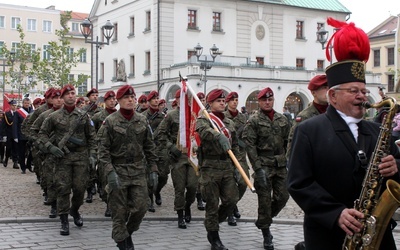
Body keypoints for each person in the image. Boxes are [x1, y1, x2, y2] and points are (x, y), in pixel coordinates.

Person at [287, 17, 399, 250]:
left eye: (363, 91)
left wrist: (396, 166)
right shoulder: (309, 130)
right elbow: (299, 183)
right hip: (329, 235)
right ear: (333, 96)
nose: (361, 96)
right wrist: (335, 213)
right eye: (353, 91)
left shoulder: (379, 130)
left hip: (377, 235)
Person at [97, 85, 158, 250]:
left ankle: (125, 234)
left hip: (138, 170)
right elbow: (102, 152)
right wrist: (109, 172)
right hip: (118, 170)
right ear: (118, 101)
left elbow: (150, 147)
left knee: (141, 207)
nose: (130, 100)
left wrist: (153, 169)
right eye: (126, 97)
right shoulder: (110, 121)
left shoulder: (142, 120)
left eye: (132, 97)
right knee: (119, 212)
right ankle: (123, 243)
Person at [38, 84, 97, 236]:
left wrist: (92, 155)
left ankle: (75, 210)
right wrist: (51, 147)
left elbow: (91, 137)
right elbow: (42, 134)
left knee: (79, 189)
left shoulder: (84, 116)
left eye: (73, 93)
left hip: (80, 158)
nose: (71, 96)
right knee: (63, 189)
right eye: (68, 94)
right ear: (62, 97)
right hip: (62, 158)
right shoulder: (54, 117)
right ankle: (64, 220)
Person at [242, 87, 291, 250]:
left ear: (273, 100)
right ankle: (266, 234)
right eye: (264, 100)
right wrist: (257, 169)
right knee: (264, 201)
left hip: (280, 164)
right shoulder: (253, 120)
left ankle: (264, 220)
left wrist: (288, 160)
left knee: (283, 197)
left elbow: (287, 142)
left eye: (270, 99)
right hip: (263, 164)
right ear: (259, 102)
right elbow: (250, 146)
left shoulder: (282, 119)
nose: (267, 102)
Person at [196, 89, 239, 250]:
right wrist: (217, 135)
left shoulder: (229, 123)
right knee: (212, 204)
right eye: (218, 101)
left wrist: (238, 167)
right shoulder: (204, 119)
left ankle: (211, 223)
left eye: (223, 101)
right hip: (210, 167)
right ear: (211, 103)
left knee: (231, 200)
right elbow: (203, 132)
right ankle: (214, 237)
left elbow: (235, 146)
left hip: (227, 166)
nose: (222, 103)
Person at [157, 89, 198, 229]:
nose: (185, 101)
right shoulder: (171, 116)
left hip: (192, 157)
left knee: (193, 187)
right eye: (182, 99)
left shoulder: (195, 116)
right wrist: (170, 146)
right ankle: (180, 215)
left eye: (188, 99)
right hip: (178, 157)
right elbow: (160, 134)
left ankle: (187, 206)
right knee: (179, 188)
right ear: (177, 101)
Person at [30, 89, 63, 218]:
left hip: (67, 155)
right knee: (50, 180)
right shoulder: (45, 115)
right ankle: (54, 205)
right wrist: (41, 145)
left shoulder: (72, 115)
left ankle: (67, 208)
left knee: (65, 182)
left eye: (61, 97)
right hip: (49, 153)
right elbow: (33, 130)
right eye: (56, 98)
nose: (59, 100)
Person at [223, 91, 249, 226]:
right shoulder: (222, 117)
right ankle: (229, 212)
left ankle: (233, 204)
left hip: (240, 155)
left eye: (236, 99)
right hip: (227, 156)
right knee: (230, 185)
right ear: (227, 102)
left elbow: (247, 135)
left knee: (243, 184)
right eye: (232, 100)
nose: (235, 102)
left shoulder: (243, 117)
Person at [286, 75, 329, 158]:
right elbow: (293, 145)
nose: (328, 91)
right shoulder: (304, 116)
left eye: (329, 87)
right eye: (324, 88)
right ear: (313, 93)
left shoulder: (336, 112)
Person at [91, 90, 117, 216]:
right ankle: (107, 202)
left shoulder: (119, 115)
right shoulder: (98, 116)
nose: (112, 101)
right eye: (109, 99)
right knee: (105, 179)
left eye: (113, 99)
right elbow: (91, 133)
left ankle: (113, 205)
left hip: (116, 152)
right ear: (105, 102)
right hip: (102, 151)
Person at [143, 90, 166, 212]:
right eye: (154, 99)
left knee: (163, 176)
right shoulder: (143, 117)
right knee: (150, 177)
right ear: (149, 101)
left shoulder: (164, 117)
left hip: (161, 149)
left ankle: (157, 191)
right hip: (148, 151)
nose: (157, 100)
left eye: (158, 98)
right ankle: (150, 199)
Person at [13, 97, 33, 174]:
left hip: (30, 135)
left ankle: (29, 164)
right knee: (21, 152)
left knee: (32, 151)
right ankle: (23, 167)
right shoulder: (18, 112)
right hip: (21, 135)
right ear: (23, 103)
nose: (27, 104)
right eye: (25, 103)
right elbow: (15, 125)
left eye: (28, 103)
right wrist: (15, 136)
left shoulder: (32, 111)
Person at [2, 100, 19, 169]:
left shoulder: (18, 114)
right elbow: (3, 125)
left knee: (16, 148)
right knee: (8, 148)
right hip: (9, 134)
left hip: (16, 134)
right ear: (10, 106)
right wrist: (4, 135)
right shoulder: (6, 114)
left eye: (15, 105)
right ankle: (6, 159)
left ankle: (15, 162)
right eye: (13, 105)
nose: (14, 107)